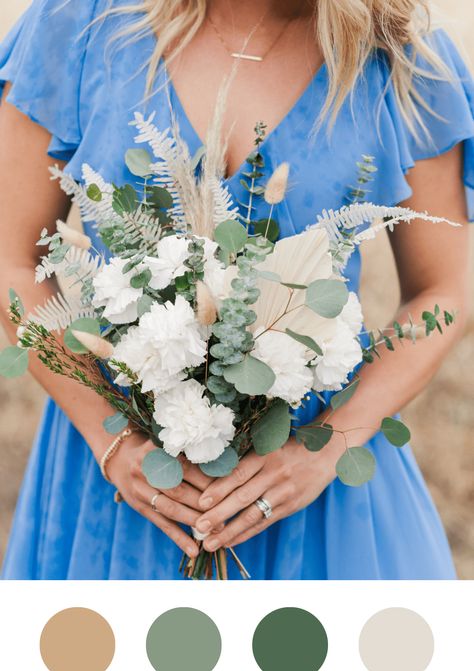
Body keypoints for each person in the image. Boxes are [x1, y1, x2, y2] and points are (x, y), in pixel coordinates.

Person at [0, 0, 472, 580]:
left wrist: (329, 444)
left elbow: (445, 289)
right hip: (124, 478)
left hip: (309, 480)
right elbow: (11, 261)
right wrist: (115, 441)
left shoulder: (402, 55)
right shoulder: (78, 26)